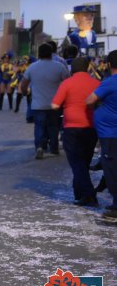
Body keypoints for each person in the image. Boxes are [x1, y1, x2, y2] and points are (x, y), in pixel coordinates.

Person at [51, 57, 100, 206]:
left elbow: (54, 105)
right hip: (92, 127)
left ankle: (89, 194)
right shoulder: (96, 83)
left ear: (73, 69)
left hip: (72, 127)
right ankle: (79, 193)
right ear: (87, 68)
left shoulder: (67, 83)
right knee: (84, 162)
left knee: (76, 162)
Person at [21, 43, 69, 159]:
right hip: (55, 104)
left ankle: (39, 147)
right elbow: (68, 82)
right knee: (54, 127)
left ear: (39, 53)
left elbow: (24, 84)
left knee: (39, 126)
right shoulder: (59, 66)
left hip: (38, 104)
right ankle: (54, 148)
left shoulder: (32, 67)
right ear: (51, 53)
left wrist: (24, 93)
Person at [86, 49, 117, 222]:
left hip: (111, 134)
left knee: (112, 169)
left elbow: (89, 100)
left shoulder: (110, 82)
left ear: (110, 64)